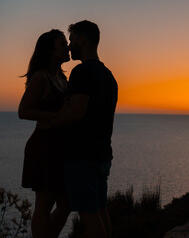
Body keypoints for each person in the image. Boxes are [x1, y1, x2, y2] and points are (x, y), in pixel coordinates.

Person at [44, 20, 118, 238]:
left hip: (82, 156)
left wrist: (52, 123)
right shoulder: (109, 76)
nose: (69, 45)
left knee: (89, 217)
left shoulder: (82, 72)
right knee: (101, 213)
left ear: (82, 40)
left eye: (72, 40)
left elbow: (76, 112)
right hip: (102, 155)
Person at [18, 29, 71, 238]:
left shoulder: (62, 78)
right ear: (50, 50)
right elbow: (24, 111)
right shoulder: (41, 77)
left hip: (60, 145)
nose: (67, 48)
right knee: (44, 205)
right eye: (62, 44)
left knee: (66, 204)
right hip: (44, 145)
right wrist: (56, 115)